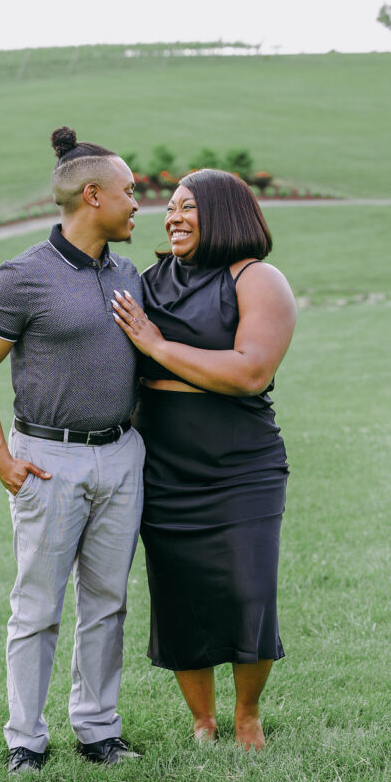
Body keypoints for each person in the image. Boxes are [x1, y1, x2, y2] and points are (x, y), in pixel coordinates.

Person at [0, 127, 145, 774]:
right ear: (92, 196)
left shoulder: (128, 274)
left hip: (122, 457)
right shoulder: (22, 277)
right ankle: (25, 742)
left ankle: (97, 730)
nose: (136, 204)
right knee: (37, 607)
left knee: (107, 602)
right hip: (47, 460)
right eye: (129, 192)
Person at [112, 168, 296, 750]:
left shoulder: (257, 279)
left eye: (188, 207)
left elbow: (250, 371)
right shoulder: (147, 281)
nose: (172, 216)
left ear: (225, 212)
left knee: (249, 589)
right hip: (163, 461)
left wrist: (158, 346)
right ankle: (201, 720)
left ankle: (246, 714)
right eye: (170, 207)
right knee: (177, 592)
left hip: (241, 463)